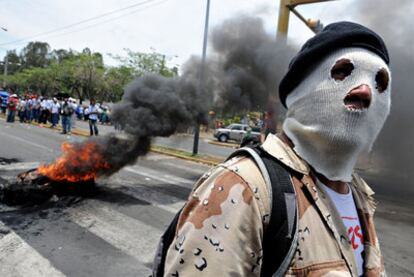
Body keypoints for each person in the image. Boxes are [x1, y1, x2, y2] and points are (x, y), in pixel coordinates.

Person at [161, 22, 389, 276]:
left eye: (380, 82)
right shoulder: (246, 187)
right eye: (343, 71)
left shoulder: (360, 196)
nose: (366, 91)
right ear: (300, 91)